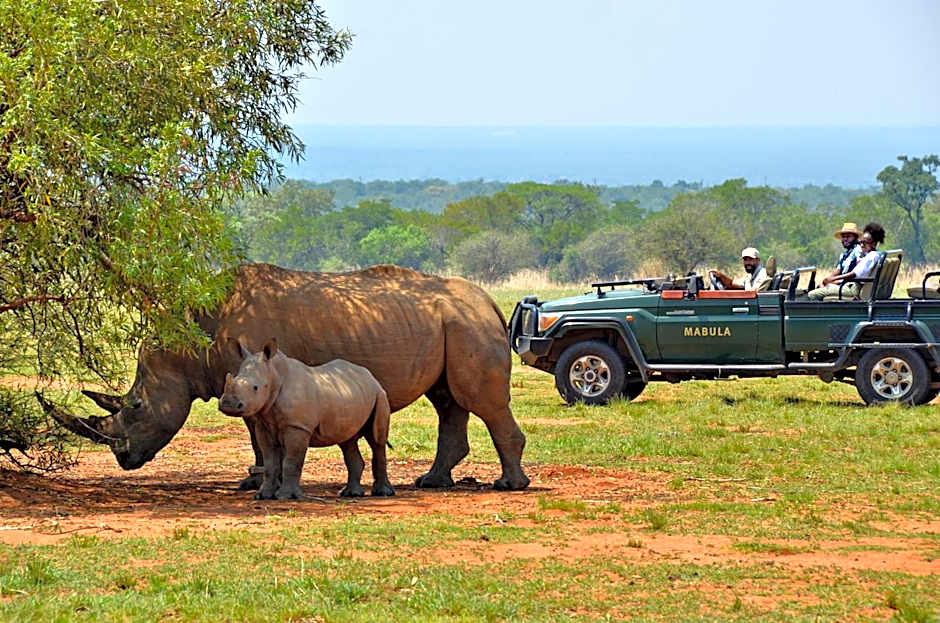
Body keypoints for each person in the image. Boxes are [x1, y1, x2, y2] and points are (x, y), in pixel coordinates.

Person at [807, 223, 885, 300]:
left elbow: (855, 274)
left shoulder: (865, 253)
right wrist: (828, 280)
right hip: (848, 284)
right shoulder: (849, 254)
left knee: (812, 294)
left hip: (851, 286)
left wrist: (834, 280)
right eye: (843, 237)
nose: (861, 245)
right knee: (820, 287)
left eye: (848, 236)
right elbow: (838, 272)